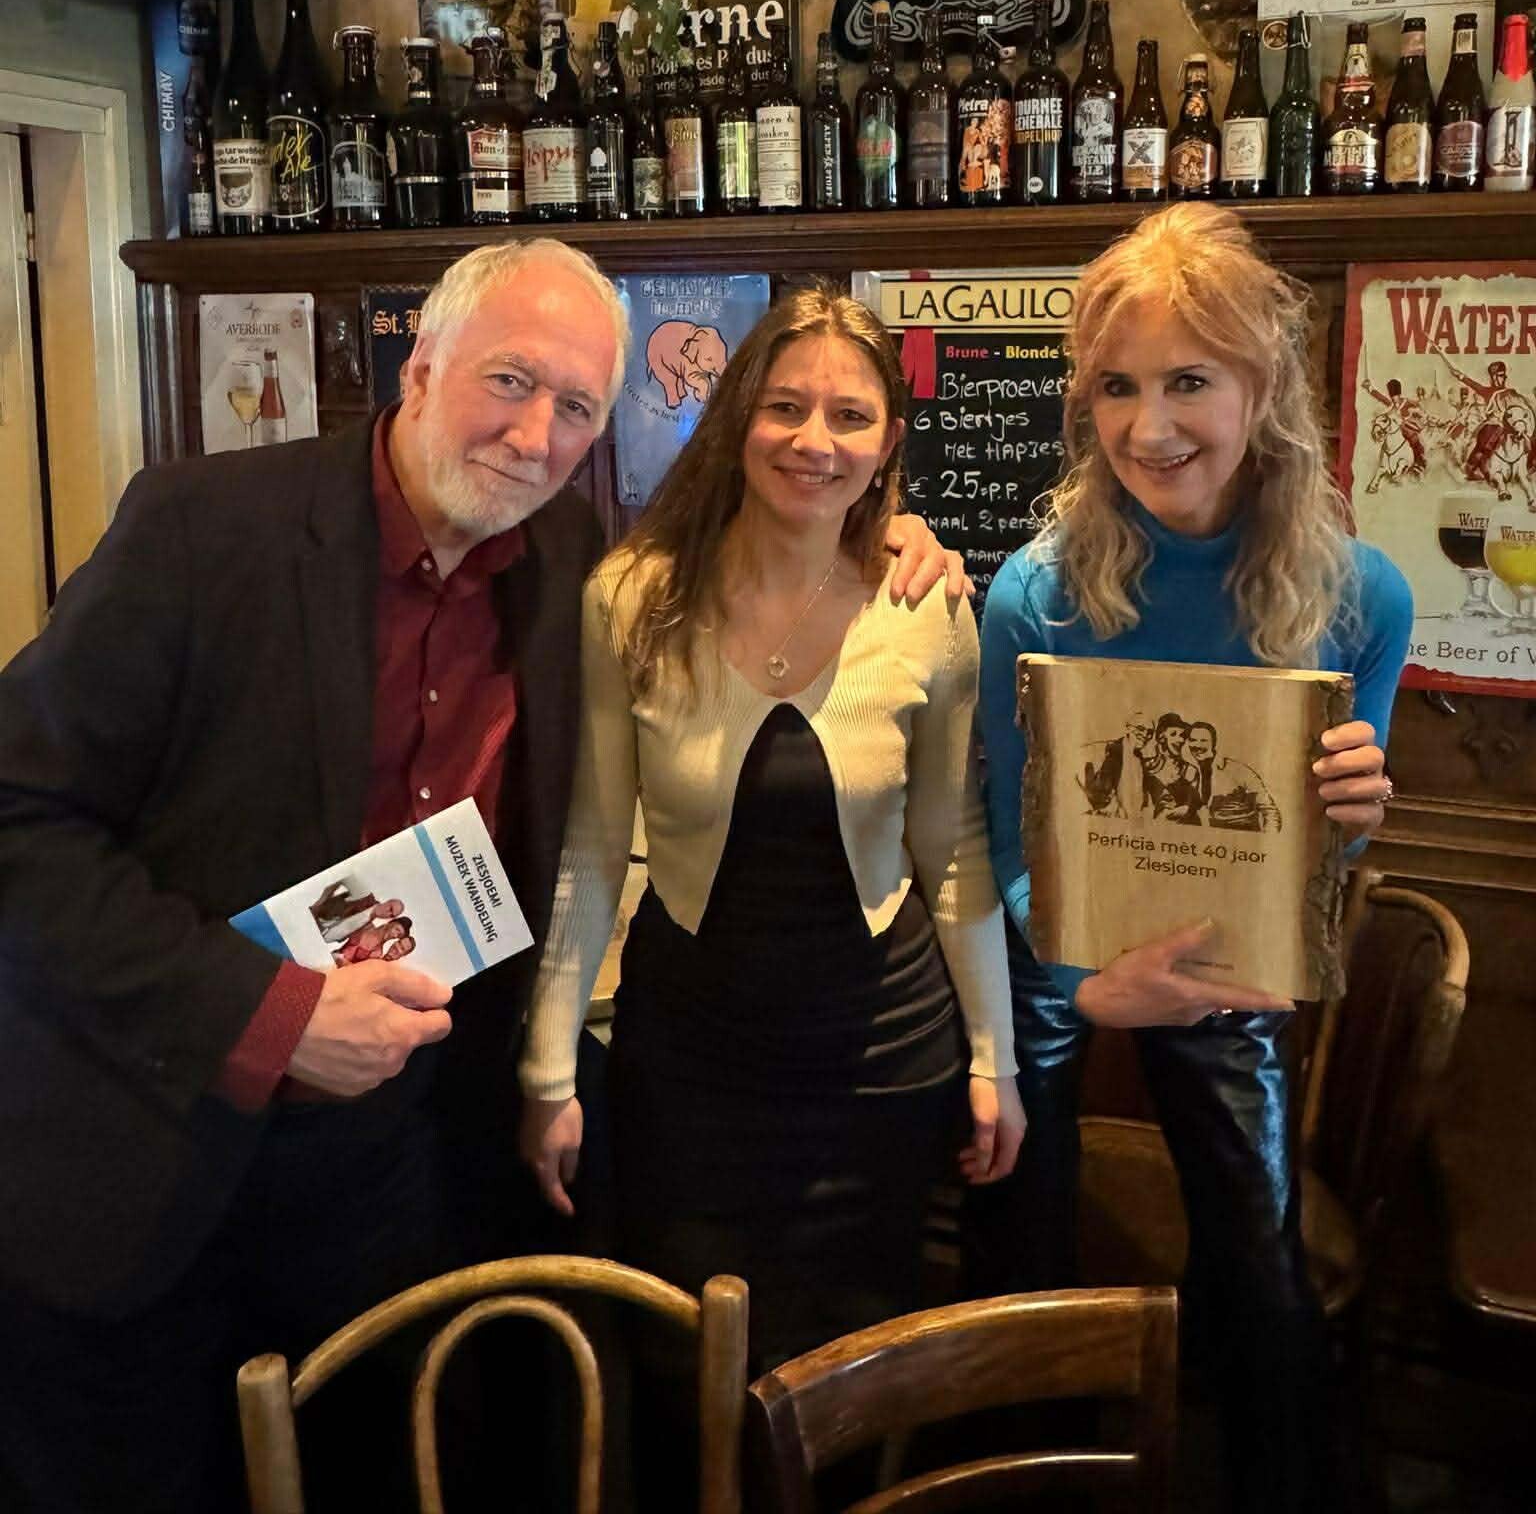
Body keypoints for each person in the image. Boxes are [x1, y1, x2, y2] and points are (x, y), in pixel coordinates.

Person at [0, 231, 972, 1514]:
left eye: (575, 405)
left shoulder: (573, 562)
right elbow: (21, 819)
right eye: (509, 380)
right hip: (159, 1147)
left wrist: (881, 529)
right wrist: (269, 1010)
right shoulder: (201, 528)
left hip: (401, 1159)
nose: (534, 432)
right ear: (419, 365)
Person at [970, 204, 1413, 1514]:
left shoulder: (1360, 595)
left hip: (1223, 958)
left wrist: (1355, 810)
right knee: (1016, 1228)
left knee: (1262, 1266)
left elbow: (1321, 842)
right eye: (1116, 386)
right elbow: (1007, 838)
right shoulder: (1036, 592)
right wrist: (1082, 980)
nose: (1149, 425)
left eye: (1188, 382)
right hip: (1055, 949)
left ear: (1262, 388)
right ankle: (1022, 1477)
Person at [519, 286, 1024, 1388]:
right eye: (786, 406)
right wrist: (548, 1063)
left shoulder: (928, 606)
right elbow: (594, 846)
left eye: (850, 416)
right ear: (738, 414)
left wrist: (995, 1059)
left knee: (857, 1366)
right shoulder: (633, 597)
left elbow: (951, 850)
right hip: (691, 1062)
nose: (814, 440)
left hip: (885, 1061)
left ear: (887, 444)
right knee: (688, 1364)